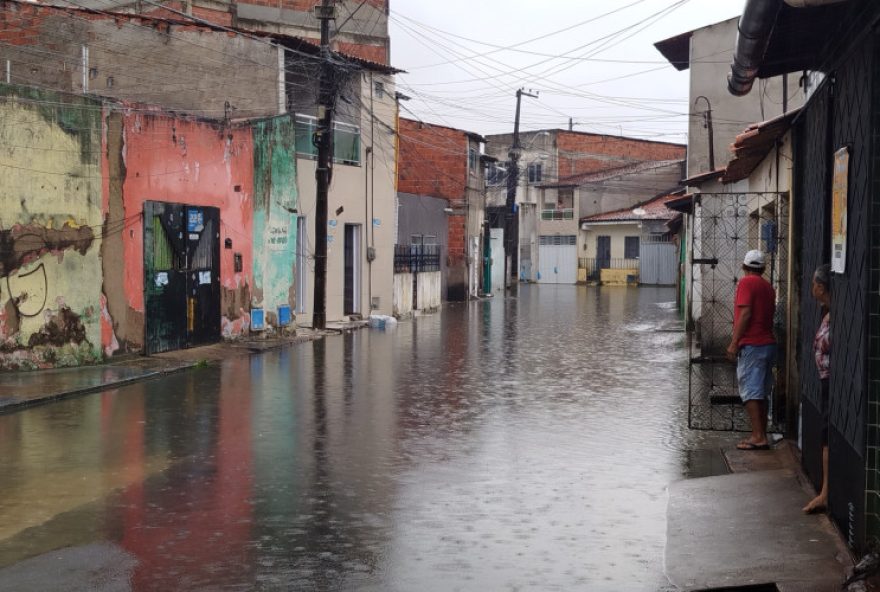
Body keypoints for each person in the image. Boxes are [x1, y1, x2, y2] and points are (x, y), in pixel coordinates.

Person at [726, 250, 776, 450]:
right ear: (763, 268)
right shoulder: (768, 287)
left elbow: (745, 314)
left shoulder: (746, 283)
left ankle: (758, 436)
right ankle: (761, 434)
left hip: (752, 345)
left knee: (750, 393)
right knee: (761, 393)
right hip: (768, 345)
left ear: (744, 266)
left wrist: (734, 343)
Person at [804, 264, 831, 514]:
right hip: (825, 380)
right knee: (825, 435)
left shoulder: (834, 316)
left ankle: (825, 493)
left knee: (827, 436)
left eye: (814, 284)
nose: (811, 288)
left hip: (831, 383)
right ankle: (825, 490)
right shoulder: (826, 311)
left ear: (821, 287)